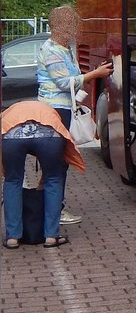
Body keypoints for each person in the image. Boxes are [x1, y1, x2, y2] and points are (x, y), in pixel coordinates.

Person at [36, 4, 112, 226]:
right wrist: (94, 74)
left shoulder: (65, 49)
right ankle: (54, 210)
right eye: (70, 23)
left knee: (59, 161)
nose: (74, 28)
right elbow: (62, 83)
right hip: (54, 110)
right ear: (59, 25)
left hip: (64, 109)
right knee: (58, 161)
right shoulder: (51, 50)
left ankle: (49, 206)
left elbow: (73, 81)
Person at [2, 99, 86, 248]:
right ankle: (51, 236)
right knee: (53, 179)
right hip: (49, 133)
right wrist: (43, 181)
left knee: (12, 180)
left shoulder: (8, 113)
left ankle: (12, 238)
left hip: (12, 134)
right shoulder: (50, 111)